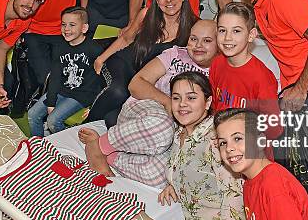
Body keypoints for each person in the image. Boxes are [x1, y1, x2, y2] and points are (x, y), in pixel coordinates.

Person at [78, 19, 218, 187]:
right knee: (162, 128)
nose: (198, 45)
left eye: (207, 40)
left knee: (160, 176)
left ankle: (113, 156)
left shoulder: (221, 72)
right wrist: (167, 102)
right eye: (193, 38)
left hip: (177, 129)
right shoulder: (175, 55)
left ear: (219, 43)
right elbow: (136, 84)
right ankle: (99, 146)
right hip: (146, 111)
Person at [158, 71, 245, 220]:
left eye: (191, 98)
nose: (182, 104)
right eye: (176, 98)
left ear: (207, 103)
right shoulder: (180, 133)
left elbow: (235, 201)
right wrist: (173, 182)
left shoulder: (215, 140)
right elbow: (191, 169)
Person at [85, 0, 198, 127]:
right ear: (157, 1)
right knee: (117, 92)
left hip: (146, 82)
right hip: (122, 65)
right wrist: (101, 58)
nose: (168, 0)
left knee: (113, 120)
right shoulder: (146, 15)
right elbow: (126, 39)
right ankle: (82, 128)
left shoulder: (193, 27)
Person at [215, 108, 308, 220]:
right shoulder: (251, 181)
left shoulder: (276, 190)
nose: (229, 148)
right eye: (223, 143)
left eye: (237, 138)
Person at [27, 7, 103, 137]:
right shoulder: (59, 47)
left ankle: (70, 145)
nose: (66, 29)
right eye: (63, 24)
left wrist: (95, 106)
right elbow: (55, 76)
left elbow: (103, 81)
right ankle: (38, 146)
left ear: (84, 28)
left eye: (72, 25)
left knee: (53, 121)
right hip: (62, 90)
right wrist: (51, 102)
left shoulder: (95, 49)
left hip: (83, 95)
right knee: (32, 114)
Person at [209, 2, 279, 137]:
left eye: (236, 31)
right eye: (222, 30)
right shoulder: (217, 63)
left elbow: (274, 129)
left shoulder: (261, 78)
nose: (227, 38)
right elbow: (214, 108)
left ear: (251, 35)